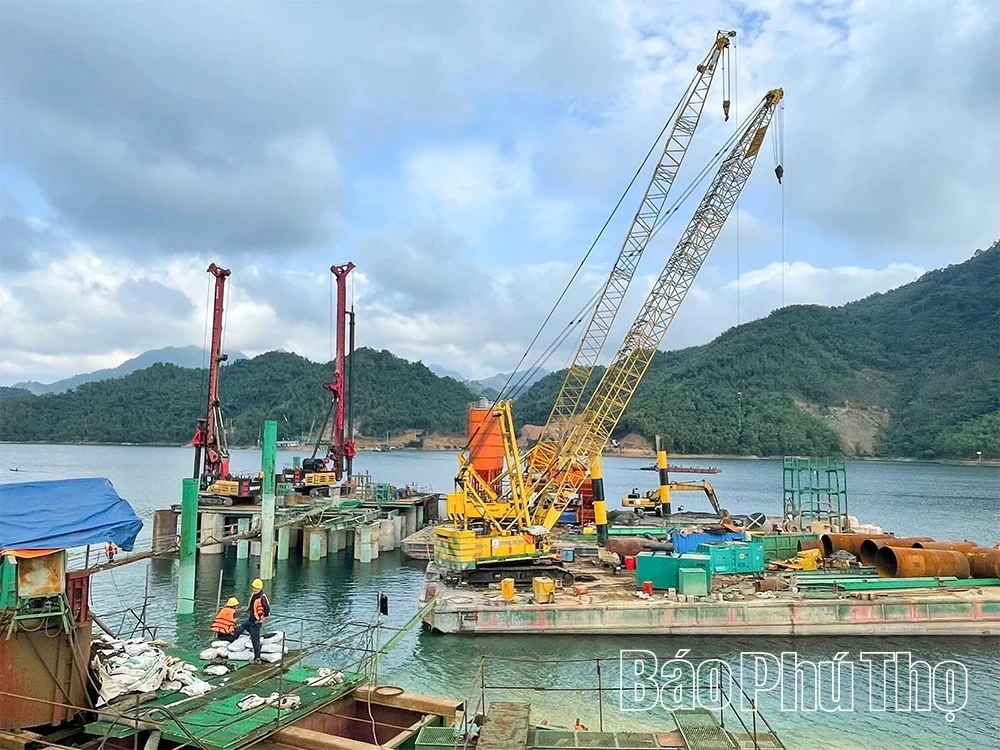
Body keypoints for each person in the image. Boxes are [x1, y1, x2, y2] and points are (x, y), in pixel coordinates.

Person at [232, 578, 270, 663]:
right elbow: (251, 606)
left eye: (256, 588)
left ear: (260, 588)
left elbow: (267, 609)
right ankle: (236, 636)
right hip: (251, 619)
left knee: (255, 641)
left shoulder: (262, 598)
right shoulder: (254, 595)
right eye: (253, 587)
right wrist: (244, 610)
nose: (254, 589)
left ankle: (257, 658)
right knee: (244, 625)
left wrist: (262, 619)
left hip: (256, 621)